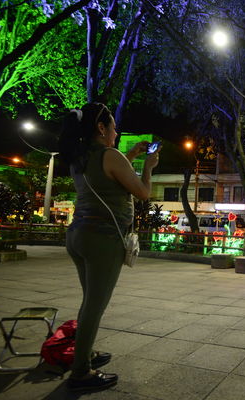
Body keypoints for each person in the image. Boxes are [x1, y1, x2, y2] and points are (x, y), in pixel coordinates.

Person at [58, 103, 160, 392]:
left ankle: (85, 353)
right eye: (113, 126)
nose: (116, 132)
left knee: (89, 300)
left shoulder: (81, 156)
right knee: (94, 306)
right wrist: (148, 167)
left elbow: (109, 173)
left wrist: (133, 155)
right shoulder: (110, 155)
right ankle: (80, 373)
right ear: (101, 129)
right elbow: (142, 193)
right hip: (102, 240)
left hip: (77, 236)